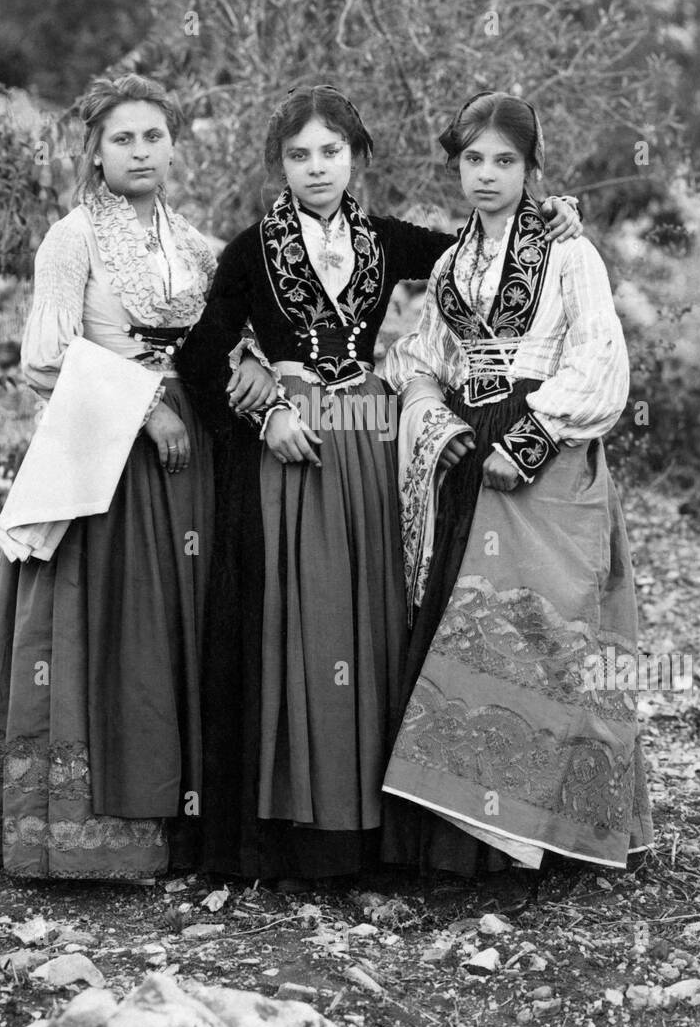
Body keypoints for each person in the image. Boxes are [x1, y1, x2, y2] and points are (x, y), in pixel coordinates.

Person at [175, 84, 582, 883]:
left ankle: (365, 835)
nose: (316, 168)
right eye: (299, 155)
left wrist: (551, 216)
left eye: (331, 152)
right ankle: (288, 833)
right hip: (288, 448)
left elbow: (480, 254)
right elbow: (200, 355)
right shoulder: (249, 251)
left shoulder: (390, 241)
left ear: (358, 159)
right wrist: (264, 412)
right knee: (296, 619)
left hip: (368, 440)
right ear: (280, 165)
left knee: (370, 620)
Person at [0, 73, 275, 881]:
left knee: (180, 627)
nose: (140, 152)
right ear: (93, 150)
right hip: (107, 458)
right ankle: (81, 835)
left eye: (153, 137)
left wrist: (250, 371)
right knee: (111, 630)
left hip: (188, 462)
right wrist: (142, 407)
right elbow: (43, 356)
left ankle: (181, 822)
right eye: (122, 138)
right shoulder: (72, 239)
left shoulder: (195, 243)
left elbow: (242, 326)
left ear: (173, 145)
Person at [381, 91, 654, 875]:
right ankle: (461, 851)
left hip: (541, 453)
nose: (487, 175)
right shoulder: (450, 261)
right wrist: (436, 415)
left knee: (545, 633)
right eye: (473, 160)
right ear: (457, 166)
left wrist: (532, 437)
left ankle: (546, 844)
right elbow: (421, 356)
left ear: (534, 169)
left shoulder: (569, 253)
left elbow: (600, 360)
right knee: (467, 631)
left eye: (505, 160)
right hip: (471, 453)